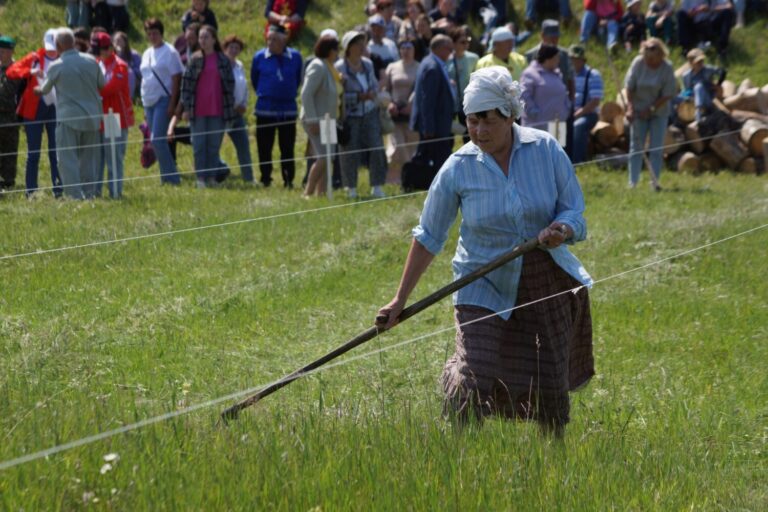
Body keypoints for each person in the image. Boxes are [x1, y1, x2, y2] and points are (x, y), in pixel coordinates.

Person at [376, 66, 594, 437]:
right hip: (481, 280)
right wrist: (400, 299)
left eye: (488, 120)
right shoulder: (457, 168)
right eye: (471, 121)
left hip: (545, 275)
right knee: (474, 373)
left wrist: (564, 228)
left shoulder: (545, 150)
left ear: (510, 115)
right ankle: (460, 454)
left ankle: (554, 458)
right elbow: (429, 235)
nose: (478, 131)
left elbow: (574, 209)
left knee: (549, 379)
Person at [34, 28, 104, 200]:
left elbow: (44, 90)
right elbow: (102, 84)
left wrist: (36, 89)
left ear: (58, 45)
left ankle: (74, 197)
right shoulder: (92, 60)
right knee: (89, 159)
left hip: (68, 118)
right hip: (91, 118)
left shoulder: (56, 66)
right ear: (73, 42)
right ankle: (90, 195)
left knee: (67, 159)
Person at [6, 29, 63, 197]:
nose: (52, 51)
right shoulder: (34, 58)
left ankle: (58, 190)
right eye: (50, 47)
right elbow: (11, 71)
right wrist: (30, 72)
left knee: (56, 151)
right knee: (33, 152)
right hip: (34, 109)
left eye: (55, 47)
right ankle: (31, 191)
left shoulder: (64, 59)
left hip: (56, 108)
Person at [178, 25, 235, 188]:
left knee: (213, 145)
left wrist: (230, 108)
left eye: (206, 37)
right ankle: (200, 178)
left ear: (214, 39)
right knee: (199, 145)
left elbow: (230, 86)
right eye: (201, 37)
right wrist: (186, 108)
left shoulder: (223, 60)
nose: (202, 40)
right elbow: (186, 85)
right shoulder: (194, 59)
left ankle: (211, 177)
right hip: (198, 110)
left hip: (218, 109)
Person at [336, 31, 387, 199]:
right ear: (348, 47)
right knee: (349, 151)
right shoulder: (339, 67)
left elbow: (374, 84)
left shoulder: (368, 64)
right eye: (358, 44)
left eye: (362, 44)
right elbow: (339, 95)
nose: (362, 47)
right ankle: (351, 188)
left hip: (370, 112)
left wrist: (372, 92)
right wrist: (358, 97)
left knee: (377, 147)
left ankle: (377, 186)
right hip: (350, 116)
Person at [251, 24, 303, 188]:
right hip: (265, 109)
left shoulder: (295, 57)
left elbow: (298, 78)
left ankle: (288, 179)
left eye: (274, 39)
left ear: (283, 40)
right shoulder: (259, 57)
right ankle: (265, 177)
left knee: (287, 147)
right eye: (268, 39)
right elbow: (255, 79)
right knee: (264, 146)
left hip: (287, 109)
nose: (270, 42)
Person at [624, 38, 675, 190]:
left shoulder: (667, 68)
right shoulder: (638, 63)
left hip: (659, 112)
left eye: (652, 58)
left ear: (660, 54)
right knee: (636, 147)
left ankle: (654, 182)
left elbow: (667, 94)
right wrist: (630, 108)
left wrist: (651, 109)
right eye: (647, 58)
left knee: (656, 148)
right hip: (638, 111)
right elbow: (629, 87)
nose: (649, 61)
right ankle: (632, 182)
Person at [140, 18, 184, 185]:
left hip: (163, 99)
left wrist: (173, 103)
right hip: (148, 101)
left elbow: (176, 78)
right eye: (149, 33)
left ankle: (171, 178)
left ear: (161, 33)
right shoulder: (147, 53)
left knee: (157, 139)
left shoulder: (170, 52)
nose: (152, 36)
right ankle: (166, 176)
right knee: (156, 141)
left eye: (155, 33)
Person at [409, 34, 455, 188]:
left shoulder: (430, 62)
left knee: (429, 156)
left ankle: (424, 184)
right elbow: (427, 100)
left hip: (436, 123)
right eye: (449, 49)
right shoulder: (433, 67)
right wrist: (429, 127)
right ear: (441, 48)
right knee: (439, 158)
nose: (451, 52)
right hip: (434, 125)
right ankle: (439, 186)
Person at [93, 32, 134, 199]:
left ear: (110, 48)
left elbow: (111, 88)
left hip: (115, 117)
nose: (98, 54)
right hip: (99, 116)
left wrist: (92, 91)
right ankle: (95, 193)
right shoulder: (96, 63)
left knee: (114, 157)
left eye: (101, 50)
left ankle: (115, 192)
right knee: (97, 158)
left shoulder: (120, 66)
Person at [301, 34, 341, 197]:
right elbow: (306, 93)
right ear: (329, 50)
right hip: (316, 120)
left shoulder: (330, 67)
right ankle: (307, 192)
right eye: (336, 49)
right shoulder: (317, 66)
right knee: (324, 156)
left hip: (329, 120)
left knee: (329, 157)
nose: (338, 53)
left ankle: (321, 193)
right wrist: (312, 120)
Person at [384, 39, 420, 184]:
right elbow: (385, 90)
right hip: (395, 115)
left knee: (412, 147)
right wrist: (389, 104)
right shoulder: (392, 67)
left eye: (409, 47)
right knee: (396, 147)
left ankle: (410, 179)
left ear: (414, 50)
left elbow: (421, 90)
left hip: (412, 114)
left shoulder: (420, 67)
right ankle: (393, 180)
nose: (406, 51)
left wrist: (412, 105)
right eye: (403, 48)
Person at [222, 35, 255, 184]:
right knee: (214, 146)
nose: (234, 50)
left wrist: (244, 104)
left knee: (243, 146)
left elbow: (245, 88)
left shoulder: (240, 65)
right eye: (231, 47)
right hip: (223, 113)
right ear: (225, 48)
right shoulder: (221, 65)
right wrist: (233, 105)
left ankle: (248, 178)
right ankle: (217, 173)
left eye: (237, 48)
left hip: (238, 113)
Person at [520, 45, 571, 131]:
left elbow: (564, 93)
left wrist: (566, 109)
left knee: (559, 145)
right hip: (536, 126)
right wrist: (533, 112)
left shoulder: (557, 74)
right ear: (548, 58)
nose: (558, 61)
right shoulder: (530, 73)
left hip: (557, 126)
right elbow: (523, 95)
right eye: (556, 58)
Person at [569, 45, 604, 164]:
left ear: (583, 60)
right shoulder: (567, 74)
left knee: (577, 126)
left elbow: (595, 101)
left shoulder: (593, 75)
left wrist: (578, 114)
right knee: (556, 126)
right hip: (570, 112)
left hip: (588, 114)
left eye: (576, 59)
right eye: (572, 59)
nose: (573, 62)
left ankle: (577, 161)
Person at [447, 26, 478, 142]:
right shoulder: (446, 60)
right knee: (449, 137)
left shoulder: (473, 58)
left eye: (468, 41)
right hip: (450, 104)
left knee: (469, 135)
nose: (466, 44)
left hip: (467, 103)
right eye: (462, 42)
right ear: (453, 43)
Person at [0, 36, 22, 190]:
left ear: (11, 52)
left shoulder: (18, 69)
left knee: (10, 150)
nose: (1, 54)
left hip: (10, 117)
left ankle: (8, 182)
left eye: (3, 51)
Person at [680, 48, 724, 122]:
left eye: (702, 61)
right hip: (693, 99)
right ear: (691, 63)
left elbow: (723, 71)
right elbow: (687, 90)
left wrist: (718, 84)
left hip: (709, 98)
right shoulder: (686, 75)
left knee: (698, 87)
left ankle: (698, 112)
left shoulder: (708, 69)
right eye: (698, 62)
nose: (701, 63)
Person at [113, 32, 142, 102]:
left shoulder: (133, 54)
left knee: (130, 73)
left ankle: (130, 97)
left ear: (125, 43)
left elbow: (140, 70)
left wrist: (128, 68)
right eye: (115, 41)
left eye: (119, 41)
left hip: (134, 79)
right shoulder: (112, 55)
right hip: (118, 79)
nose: (117, 43)